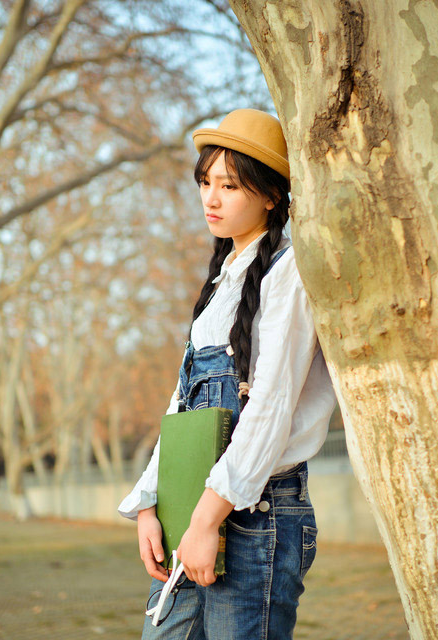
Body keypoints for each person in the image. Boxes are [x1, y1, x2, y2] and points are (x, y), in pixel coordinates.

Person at [117, 108, 337, 639]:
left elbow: (269, 409)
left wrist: (205, 521)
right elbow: (182, 406)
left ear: (270, 195)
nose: (210, 199)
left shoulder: (288, 273)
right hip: (190, 509)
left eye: (230, 186)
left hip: (256, 517)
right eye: (205, 182)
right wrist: (150, 504)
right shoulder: (220, 283)